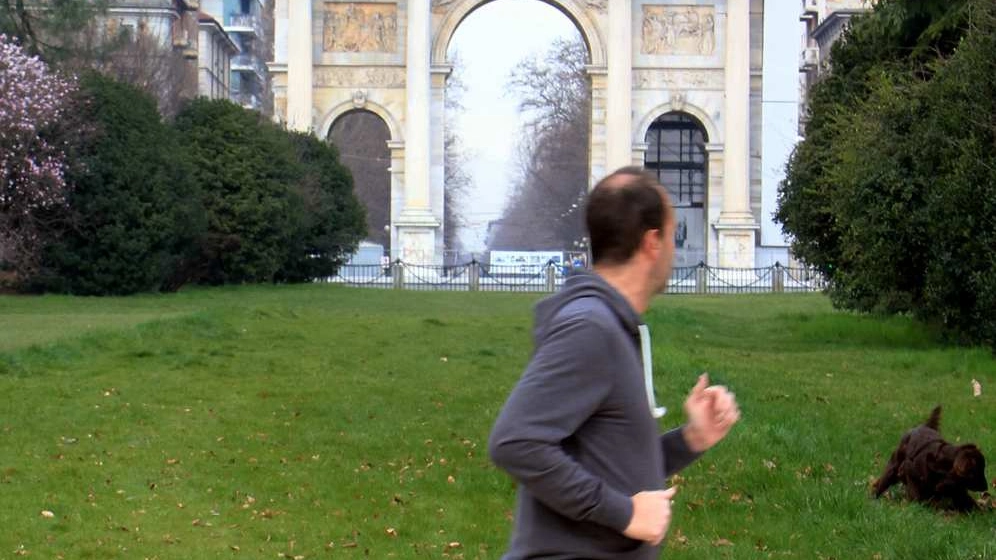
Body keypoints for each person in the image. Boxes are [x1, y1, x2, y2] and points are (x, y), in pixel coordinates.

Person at [488, 167, 741, 559]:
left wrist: (691, 438)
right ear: (652, 241)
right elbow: (515, 441)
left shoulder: (611, 326)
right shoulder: (590, 328)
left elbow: (610, 461)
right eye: (673, 235)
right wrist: (623, 513)